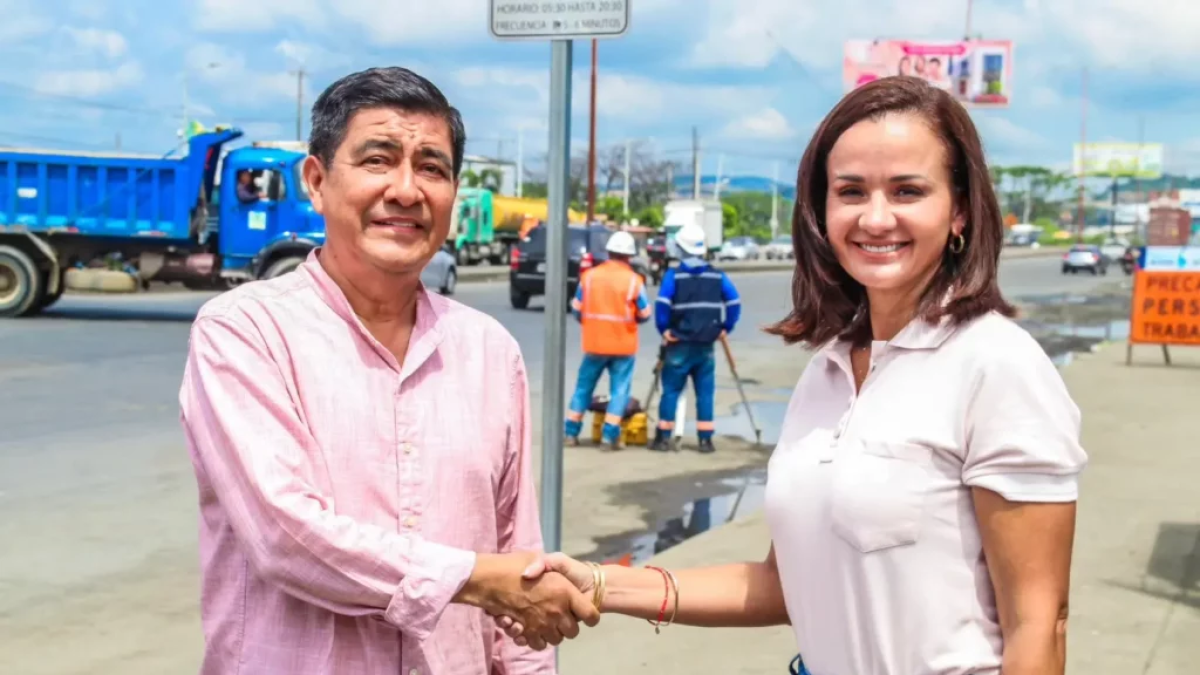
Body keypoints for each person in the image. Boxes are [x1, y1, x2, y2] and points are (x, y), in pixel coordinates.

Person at [498, 76, 1089, 675]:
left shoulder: (996, 365)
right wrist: (599, 583)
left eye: (908, 191)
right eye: (851, 191)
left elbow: (1039, 623)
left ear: (959, 209)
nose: (876, 218)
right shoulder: (827, 370)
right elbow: (786, 584)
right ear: (823, 210)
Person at [178, 66, 597, 675]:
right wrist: (474, 579)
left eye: (432, 167)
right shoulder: (245, 332)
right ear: (317, 182)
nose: (406, 190)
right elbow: (286, 537)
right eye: (378, 160)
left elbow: (518, 553)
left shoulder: (488, 351)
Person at [649, 223, 741, 454]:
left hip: (678, 342)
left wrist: (664, 329)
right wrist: (725, 327)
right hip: (705, 344)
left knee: (671, 390)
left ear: (681, 249)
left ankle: (663, 438)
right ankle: (705, 440)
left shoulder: (674, 276)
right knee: (705, 393)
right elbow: (734, 302)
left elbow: (662, 305)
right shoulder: (717, 276)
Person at [564, 230, 653, 450]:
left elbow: (576, 310)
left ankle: (571, 433)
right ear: (629, 256)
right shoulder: (634, 281)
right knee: (620, 391)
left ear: (609, 252)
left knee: (583, 387)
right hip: (623, 346)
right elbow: (645, 314)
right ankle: (609, 437)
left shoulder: (590, 276)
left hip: (594, 343)